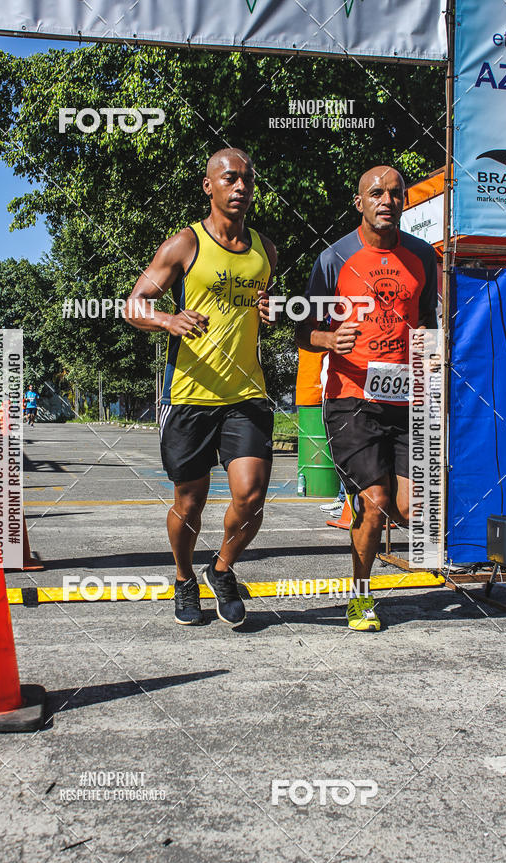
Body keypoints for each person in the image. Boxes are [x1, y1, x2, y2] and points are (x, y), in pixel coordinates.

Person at [126, 148, 277, 627]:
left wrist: (269, 312)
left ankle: (223, 569)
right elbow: (134, 305)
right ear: (208, 186)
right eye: (230, 179)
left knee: (250, 496)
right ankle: (185, 577)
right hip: (189, 395)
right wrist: (168, 318)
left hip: (246, 395)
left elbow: (253, 310)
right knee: (189, 502)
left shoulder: (265, 250)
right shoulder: (184, 245)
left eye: (247, 180)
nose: (240, 188)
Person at [296, 165, 438, 631]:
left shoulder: (421, 257)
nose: (387, 201)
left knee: (411, 509)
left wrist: (433, 355)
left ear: (404, 202)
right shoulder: (334, 259)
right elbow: (303, 330)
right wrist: (329, 341)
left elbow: (430, 326)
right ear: (359, 202)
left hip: (404, 397)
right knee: (376, 502)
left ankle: (364, 510)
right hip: (350, 397)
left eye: (396, 194)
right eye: (376, 193)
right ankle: (360, 595)